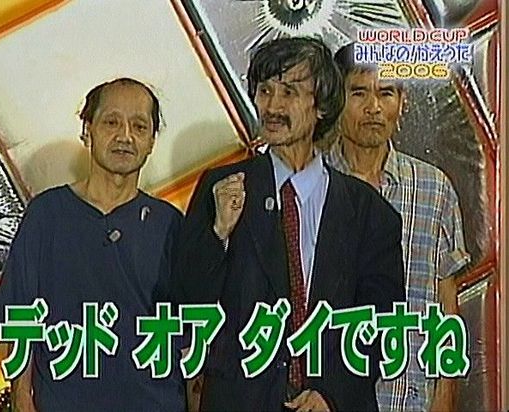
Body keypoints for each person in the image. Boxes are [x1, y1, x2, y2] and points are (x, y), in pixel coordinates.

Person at [175, 37, 405, 412]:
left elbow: (380, 325)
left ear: (322, 105)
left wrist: (331, 394)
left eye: (289, 92)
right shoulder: (222, 188)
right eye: (265, 91)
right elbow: (187, 305)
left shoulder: (370, 213)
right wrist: (218, 235)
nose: (273, 107)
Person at [0, 78, 185, 411]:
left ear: (151, 141)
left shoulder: (170, 224)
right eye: (111, 122)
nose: (125, 136)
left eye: (139, 126)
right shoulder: (46, 215)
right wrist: (22, 397)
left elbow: (187, 332)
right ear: (87, 130)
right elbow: (20, 318)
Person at [324, 43, 470, 412]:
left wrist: (444, 394)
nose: (373, 107)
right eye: (359, 93)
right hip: (327, 395)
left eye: (386, 93)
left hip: (410, 395)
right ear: (335, 100)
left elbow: (446, 303)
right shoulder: (310, 185)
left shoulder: (434, 189)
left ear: (402, 102)